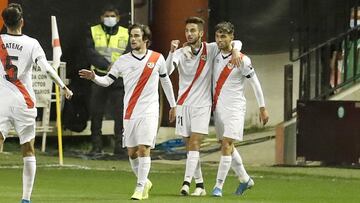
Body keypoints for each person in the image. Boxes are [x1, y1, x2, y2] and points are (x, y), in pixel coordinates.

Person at [79, 23, 177, 200]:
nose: (133, 39)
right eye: (132, 35)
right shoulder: (123, 60)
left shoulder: (157, 58)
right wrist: (94, 77)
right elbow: (107, 81)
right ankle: (144, 180)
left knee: (144, 148)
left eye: (137, 36)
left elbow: (166, 82)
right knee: (132, 153)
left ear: (145, 39)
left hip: (149, 111)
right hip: (130, 111)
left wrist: (173, 105)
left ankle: (140, 188)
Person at [0, 3, 73, 203]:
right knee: (28, 148)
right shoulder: (32, 43)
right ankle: (25, 198)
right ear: (22, 22)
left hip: (2, 103)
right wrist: (63, 87)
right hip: (24, 102)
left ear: (4, 22)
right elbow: (47, 69)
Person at [166, 16, 242, 196]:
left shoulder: (211, 48)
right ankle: (199, 185)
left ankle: (185, 183)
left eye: (193, 30)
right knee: (189, 147)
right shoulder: (180, 52)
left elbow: (235, 41)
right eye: (187, 31)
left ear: (200, 33)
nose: (189, 34)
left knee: (195, 143)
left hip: (202, 105)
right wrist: (171, 52)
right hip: (183, 104)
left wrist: (236, 51)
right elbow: (167, 71)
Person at [210, 22, 269, 197]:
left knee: (227, 143)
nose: (220, 40)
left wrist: (262, 107)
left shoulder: (242, 60)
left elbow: (255, 83)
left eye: (224, 36)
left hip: (235, 108)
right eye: (218, 36)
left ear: (231, 37)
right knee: (225, 144)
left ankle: (218, 186)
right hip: (218, 107)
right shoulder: (215, 54)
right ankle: (245, 179)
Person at [85, 5, 129, 155]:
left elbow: (129, 52)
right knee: (96, 113)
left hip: (119, 78)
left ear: (117, 18)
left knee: (120, 113)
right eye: (107, 16)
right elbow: (90, 52)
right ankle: (96, 146)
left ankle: (120, 146)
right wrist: (106, 65)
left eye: (112, 16)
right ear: (102, 17)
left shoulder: (126, 33)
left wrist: (116, 67)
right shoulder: (93, 30)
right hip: (99, 75)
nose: (109, 19)